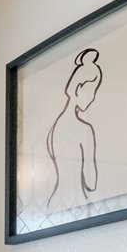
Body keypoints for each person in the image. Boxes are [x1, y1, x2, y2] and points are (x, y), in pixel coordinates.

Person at [43, 47, 103, 212]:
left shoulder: (53, 129)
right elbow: (92, 184)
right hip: (77, 205)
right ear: (79, 88)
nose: (92, 97)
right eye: (92, 90)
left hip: (54, 204)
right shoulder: (84, 129)